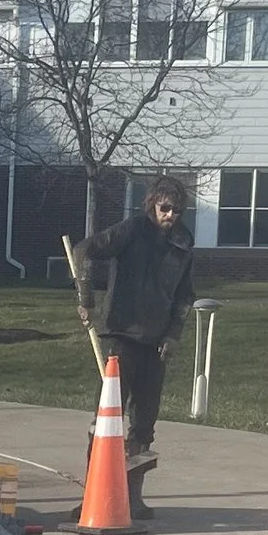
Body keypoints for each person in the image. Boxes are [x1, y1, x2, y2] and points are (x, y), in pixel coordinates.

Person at [78, 178, 198, 463]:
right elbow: (84, 249)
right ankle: (95, 491)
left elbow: (184, 295)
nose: (171, 216)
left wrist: (173, 334)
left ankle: (132, 495)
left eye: (178, 211)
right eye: (165, 208)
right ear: (152, 205)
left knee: (145, 422)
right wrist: (86, 297)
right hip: (121, 336)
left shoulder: (183, 241)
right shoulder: (133, 229)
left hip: (156, 342)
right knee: (109, 415)